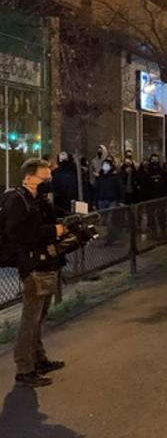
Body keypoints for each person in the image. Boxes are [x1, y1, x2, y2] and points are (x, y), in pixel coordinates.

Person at [3, 159, 68, 387]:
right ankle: (24, 368)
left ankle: (38, 359)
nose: (48, 183)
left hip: (44, 263)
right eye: (45, 179)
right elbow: (18, 233)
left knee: (38, 317)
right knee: (30, 319)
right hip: (31, 266)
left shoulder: (36, 200)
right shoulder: (17, 200)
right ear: (29, 178)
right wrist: (52, 230)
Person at [94, 159, 125, 246]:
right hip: (102, 200)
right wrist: (95, 202)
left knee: (109, 220)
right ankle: (110, 236)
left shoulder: (114, 177)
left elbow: (120, 189)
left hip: (112, 201)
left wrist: (121, 200)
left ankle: (113, 237)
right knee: (105, 221)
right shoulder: (100, 177)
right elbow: (96, 190)